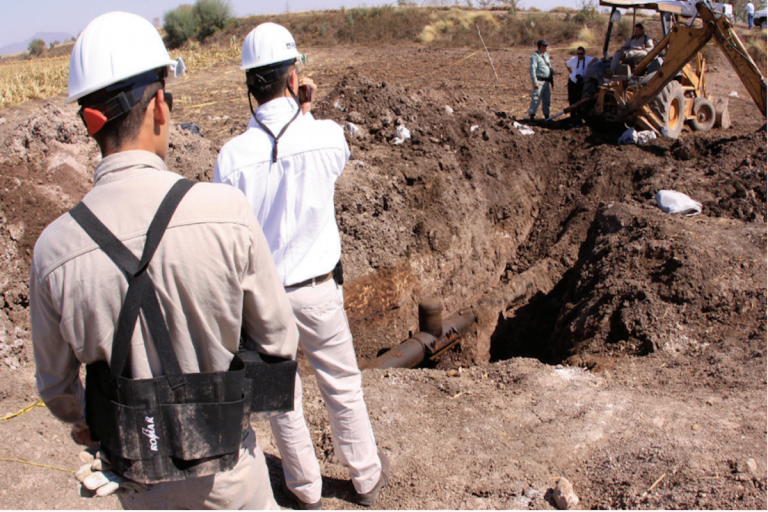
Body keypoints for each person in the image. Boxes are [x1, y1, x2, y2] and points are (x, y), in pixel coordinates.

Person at [30, 12, 298, 510]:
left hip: (138, 486)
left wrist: (99, 428)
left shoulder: (53, 251)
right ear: (159, 105)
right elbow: (280, 342)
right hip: (230, 480)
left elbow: (57, 389)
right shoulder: (226, 214)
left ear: (91, 123)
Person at [214, 23, 389, 510]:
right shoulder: (326, 137)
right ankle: (366, 479)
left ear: (249, 83)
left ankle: (304, 489)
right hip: (317, 289)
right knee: (342, 384)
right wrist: (305, 110)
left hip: (264, 299)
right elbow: (322, 153)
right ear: (294, 76)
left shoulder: (229, 159)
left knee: (281, 401)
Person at [528, 39, 556, 120]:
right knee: (536, 99)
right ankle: (532, 117)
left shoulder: (546, 55)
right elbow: (532, 70)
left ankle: (546, 117)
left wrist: (552, 70)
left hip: (546, 82)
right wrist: (535, 82)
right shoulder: (535, 56)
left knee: (547, 100)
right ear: (541, 46)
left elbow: (548, 65)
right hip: (539, 81)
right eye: (545, 46)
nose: (547, 47)